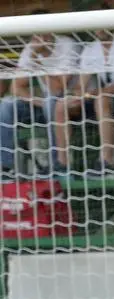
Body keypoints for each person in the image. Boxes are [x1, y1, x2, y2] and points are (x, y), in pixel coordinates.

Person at [54, 18, 114, 177]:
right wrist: (76, 97)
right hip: (106, 104)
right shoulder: (91, 49)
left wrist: (93, 93)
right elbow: (81, 86)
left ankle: (108, 162)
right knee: (61, 105)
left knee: (102, 98)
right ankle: (62, 164)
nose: (99, 29)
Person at [0, 8, 79, 177]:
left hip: (73, 105)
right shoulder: (32, 47)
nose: (39, 34)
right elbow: (16, 87)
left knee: (52, 101)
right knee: (6, 105)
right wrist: (37, 101)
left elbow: (59, 89)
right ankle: (6, 167)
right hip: (45, 105)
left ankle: (56, 165)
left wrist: (38, 60)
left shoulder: (68, 44)